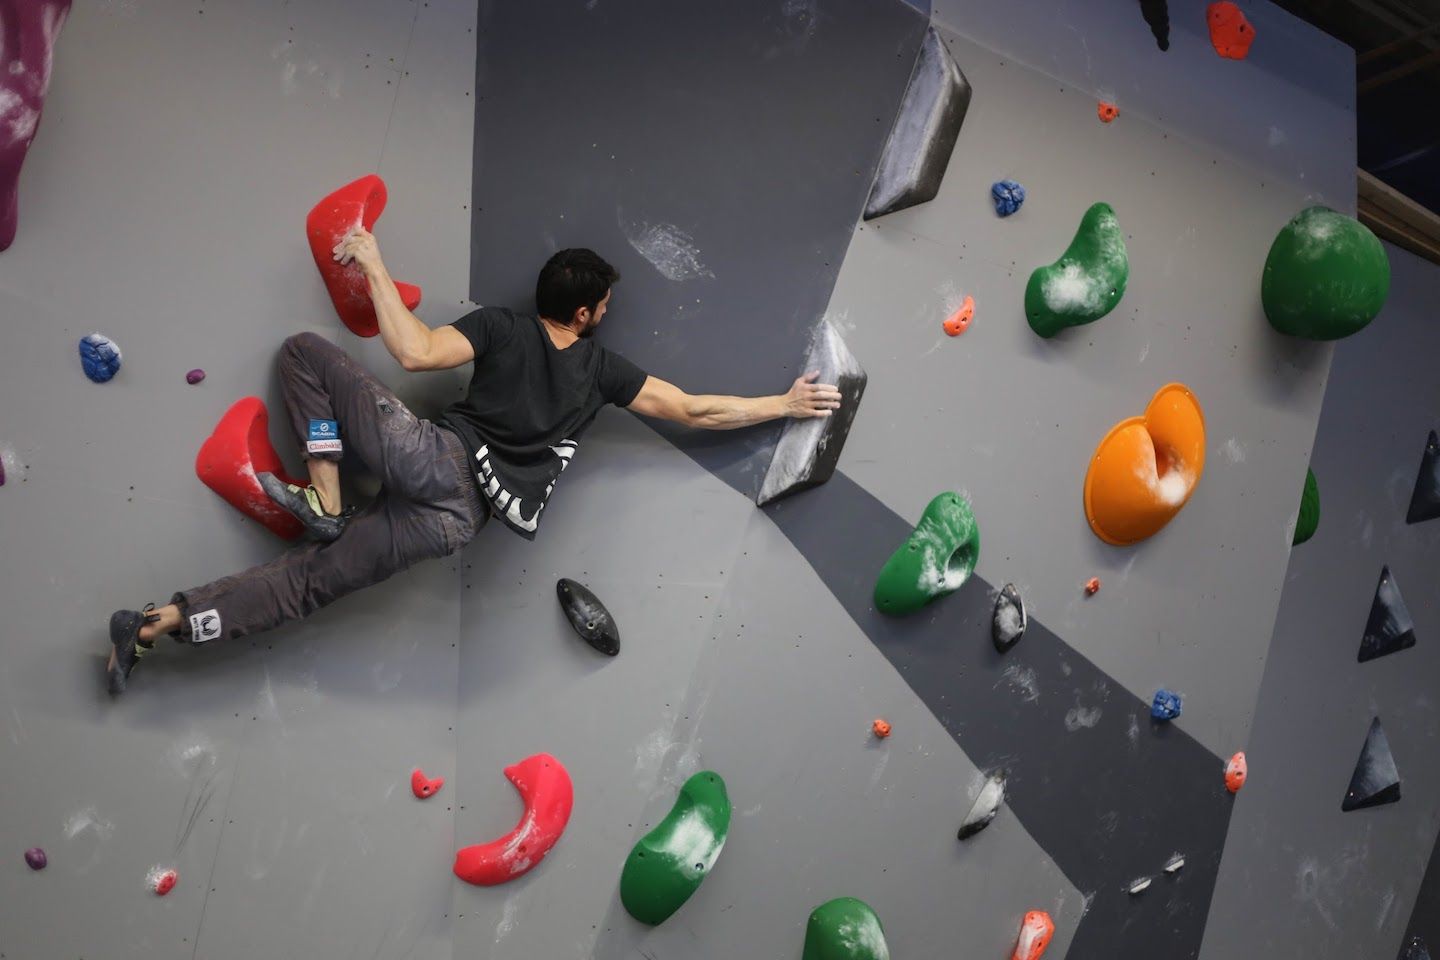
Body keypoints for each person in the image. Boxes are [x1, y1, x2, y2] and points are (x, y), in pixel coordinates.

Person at [105, 228, 843, 694]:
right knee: (306, 587)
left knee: (304, 353)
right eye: (605, 306)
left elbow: (414, 352)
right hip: (460, 521)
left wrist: (371, 257)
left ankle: (322, 503)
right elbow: (692, 409)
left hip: (435, 461)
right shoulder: (602, 371)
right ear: (583, 315)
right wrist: (784, 405)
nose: (608, 315)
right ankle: (163, 624)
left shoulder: (502, 327)